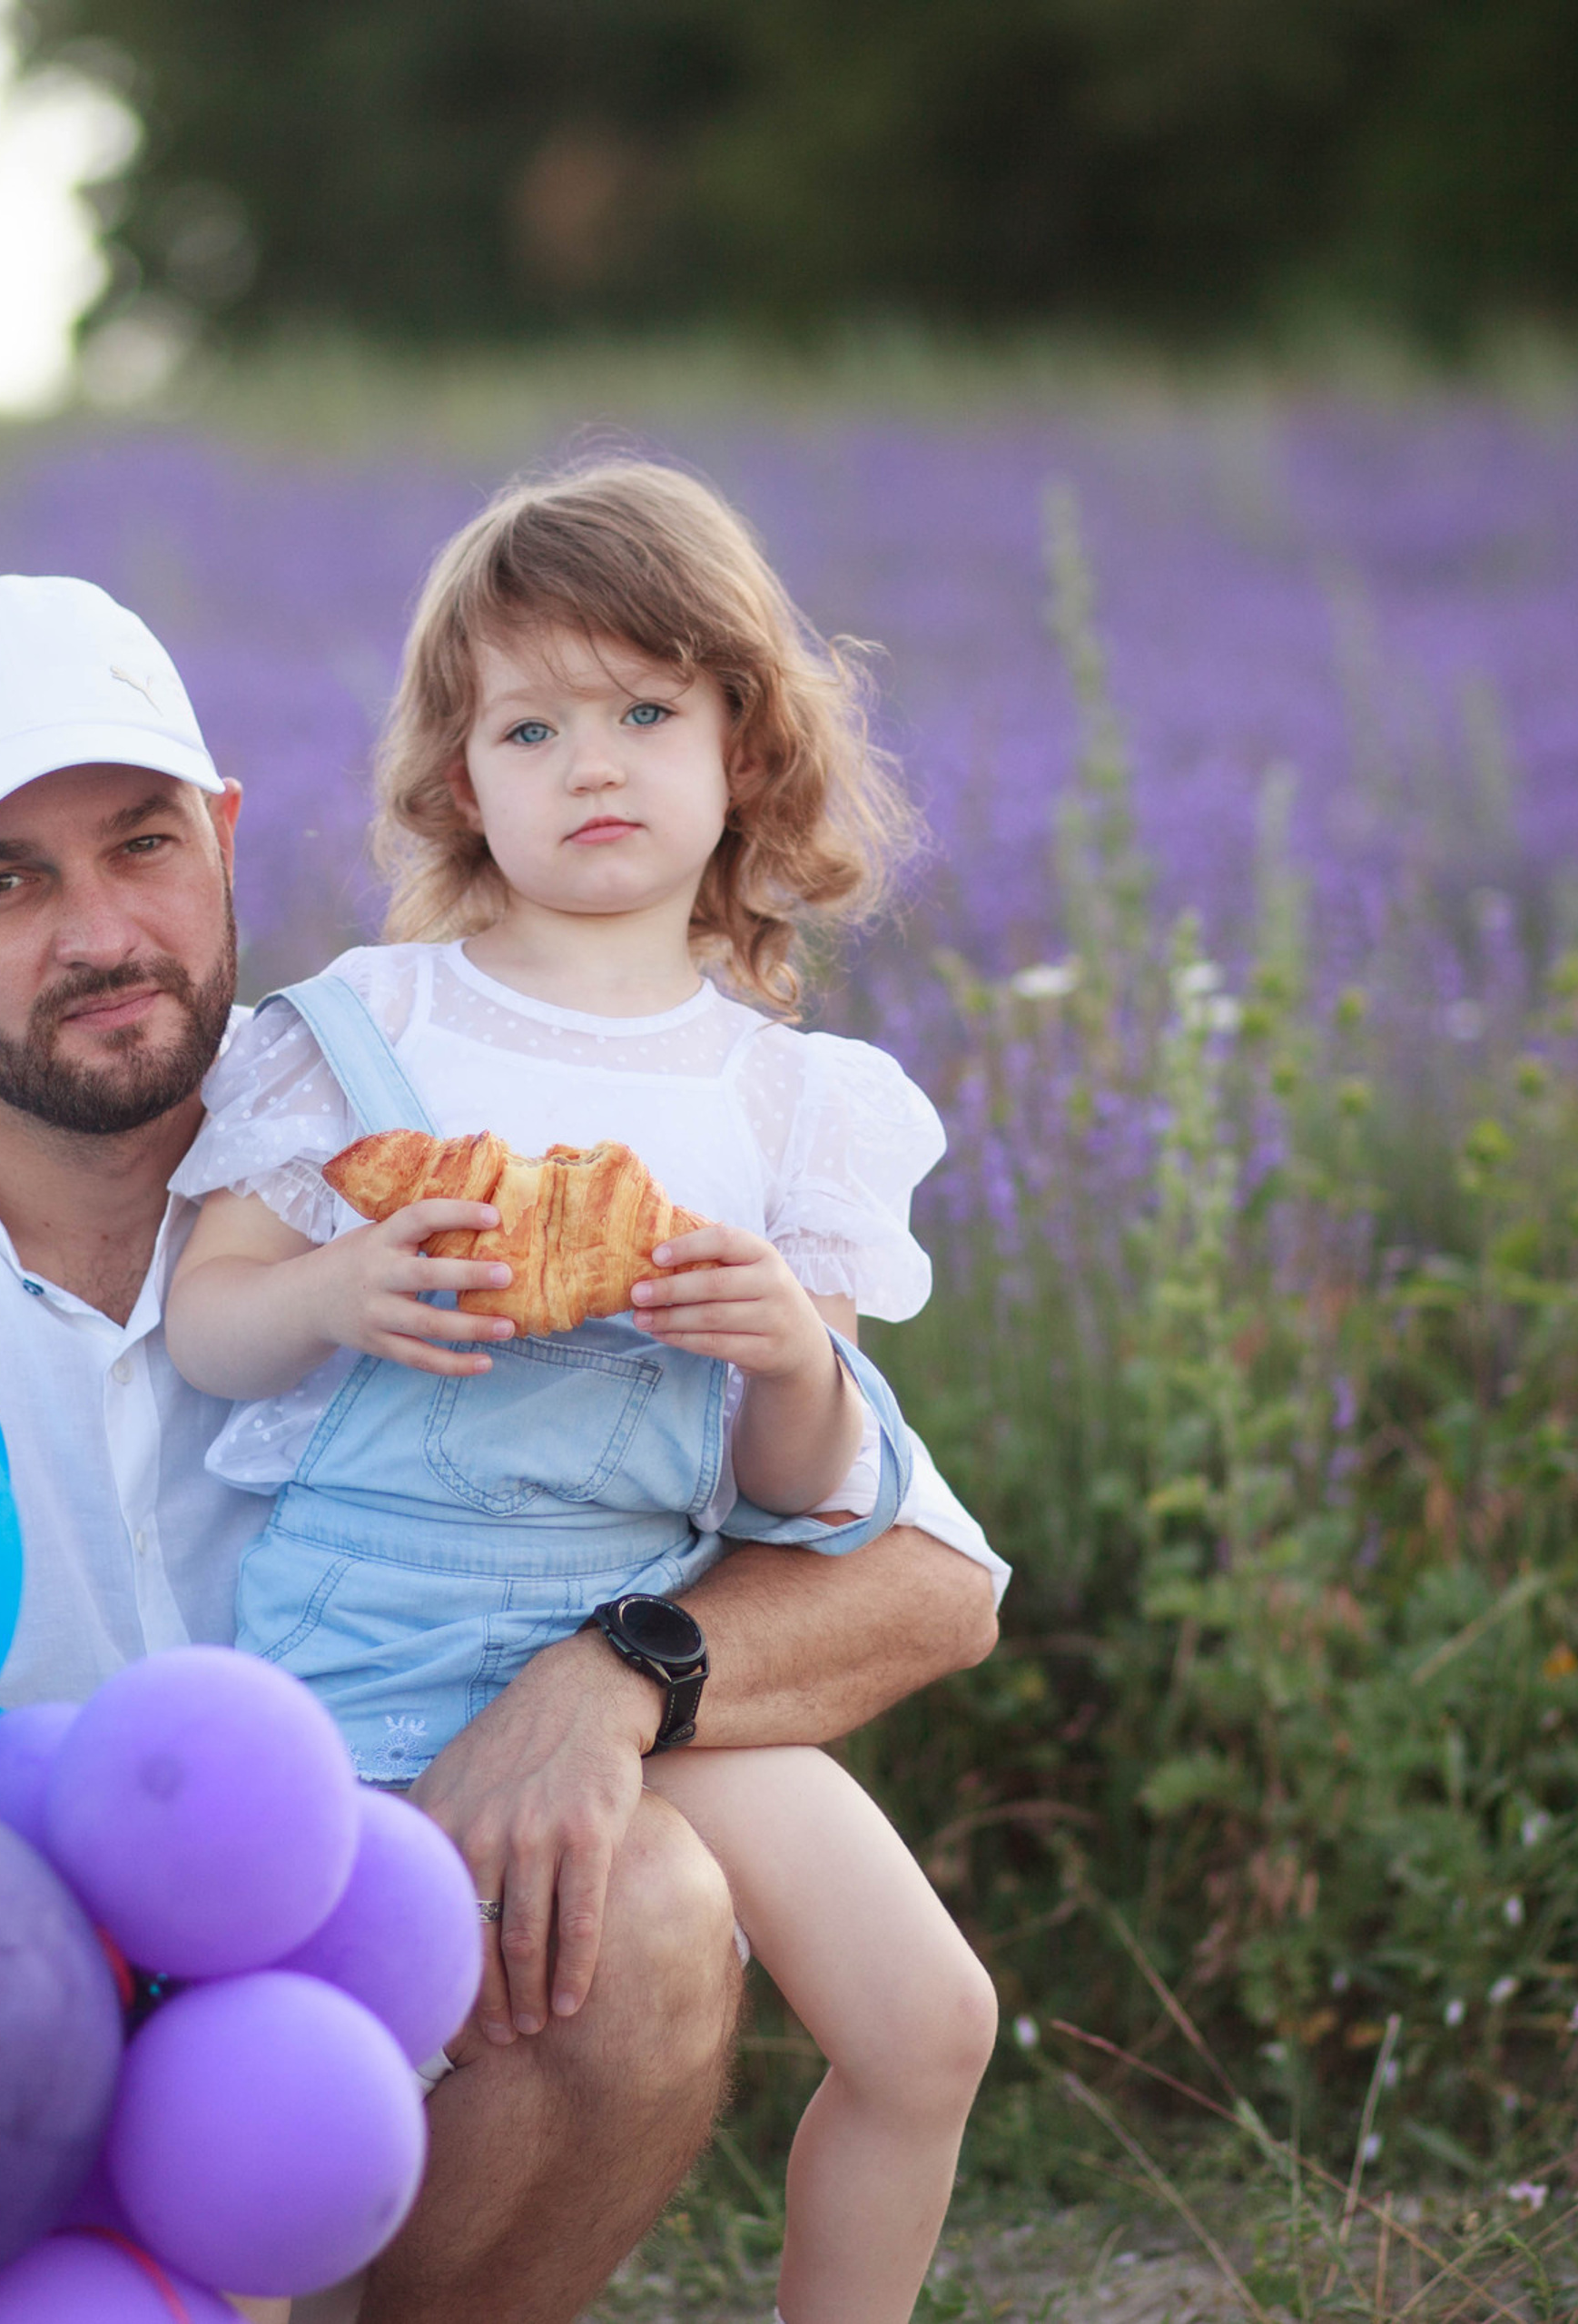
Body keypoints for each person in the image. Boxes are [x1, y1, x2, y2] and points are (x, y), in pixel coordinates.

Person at [0, 566, 1007, 2324]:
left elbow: (920, 1581)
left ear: (223, 833)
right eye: (0, 878)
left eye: (139, 842)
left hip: (362, 1962)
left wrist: (612, 1676)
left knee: (650, 1907)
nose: (97, 933)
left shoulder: (434, 1116)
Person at [164, 458, 999, 2324]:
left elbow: (797, 1492)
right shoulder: (369, 1034)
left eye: (643, 710)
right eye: (528, 725)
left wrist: (790, 1349)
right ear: (459, 782)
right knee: (314, 2092)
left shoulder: (794, 1104)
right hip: (372, 1641)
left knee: (929, 2019)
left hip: (634, 1627)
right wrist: (331, 1285)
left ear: (743, 748)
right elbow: (208, 1324)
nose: (590, 763)